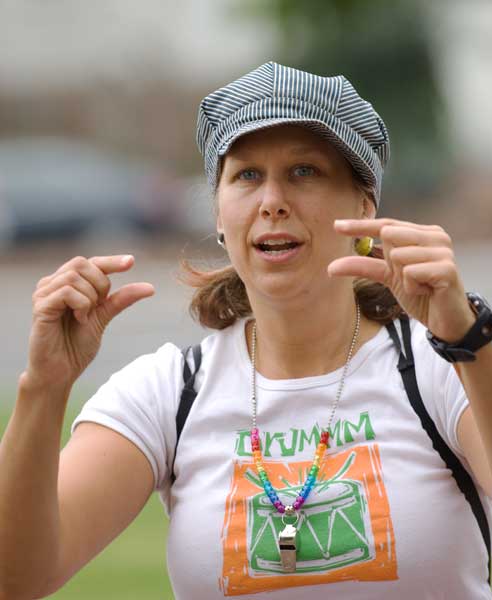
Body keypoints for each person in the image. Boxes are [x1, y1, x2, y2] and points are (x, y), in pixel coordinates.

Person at [1, 61, 492, 600]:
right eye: (247, 175)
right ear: (217, 212)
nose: (272, 201)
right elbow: (18, 577)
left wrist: (467, 341)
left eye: (304, 171)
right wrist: (43, 386)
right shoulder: (169, 392)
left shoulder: (438, 365)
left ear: (365, 205)